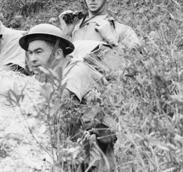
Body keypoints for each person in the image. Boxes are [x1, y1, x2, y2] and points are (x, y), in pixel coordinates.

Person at [19, 23, 116, 171]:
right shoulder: (52, 77)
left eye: (38, 52)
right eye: (30, 53)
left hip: (107, 141)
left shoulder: (76, 71)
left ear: (58, 54)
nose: (32, 59)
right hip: (86, 141)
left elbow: (58, 110)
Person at [58, 0, 142, 74]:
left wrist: (112, 41)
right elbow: (59, 66)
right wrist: (66, 35)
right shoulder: (75, 29)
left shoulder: (121, 30)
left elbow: (137, 66)